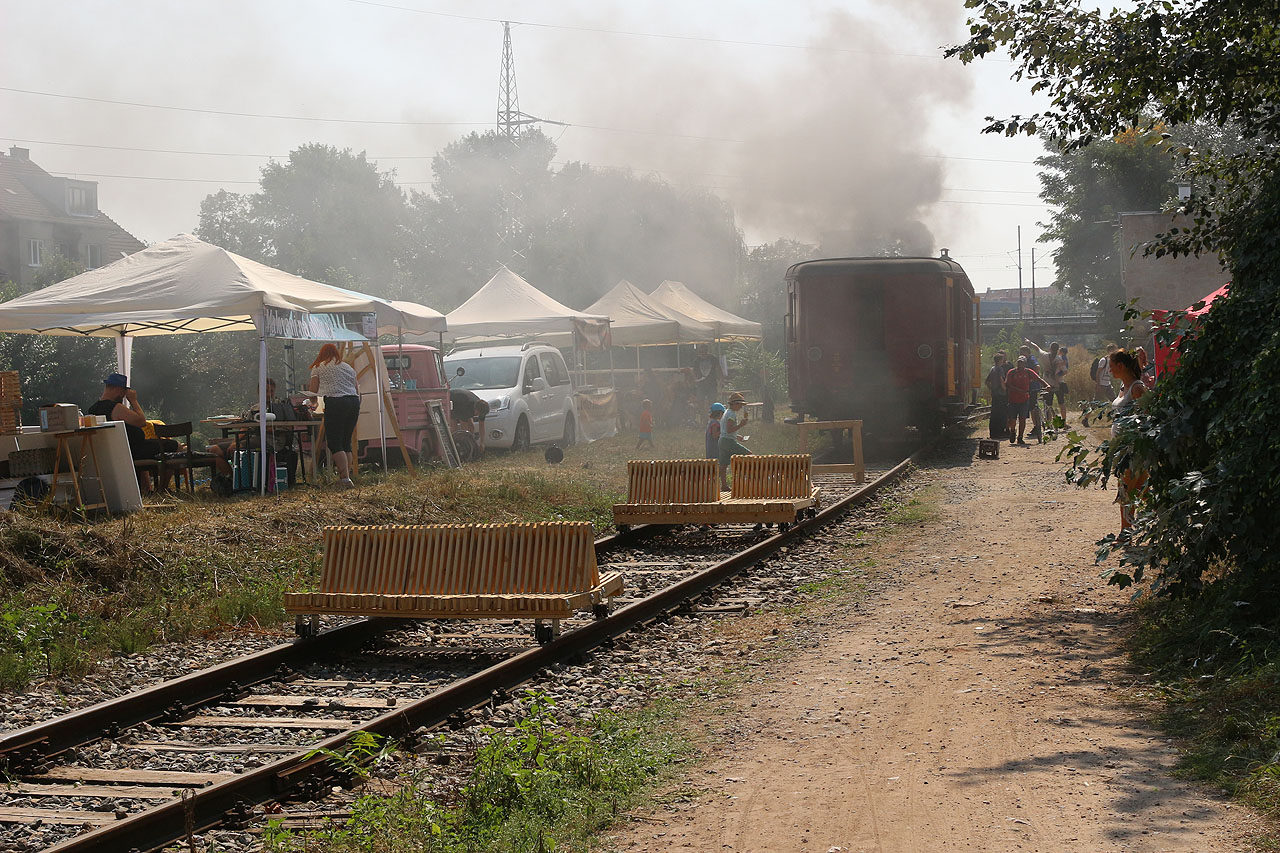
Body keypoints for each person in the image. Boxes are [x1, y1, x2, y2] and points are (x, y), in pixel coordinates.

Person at [86, 373, 179, 491]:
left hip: (116, 450)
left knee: (149, 445)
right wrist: (134, 401)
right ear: (118, 389)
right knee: (175, 446)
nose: (124, 396)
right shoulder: (115, 408)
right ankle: (162, 488)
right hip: (131, 451)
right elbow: (141, 421)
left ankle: (147, 489)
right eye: (124, 392)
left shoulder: (93, 409)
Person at [206, 378, 299, 481]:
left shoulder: (281, 407)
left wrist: (268, 428)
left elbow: (288, 427)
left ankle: (241, 481)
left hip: (272, 442)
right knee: (213, 450)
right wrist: (234, 442)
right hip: (253, 438)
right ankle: (233, 480)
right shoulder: (254, 408)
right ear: (259, 392)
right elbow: (245, 427)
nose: (269, 394)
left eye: (271, 391)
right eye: (266, 391)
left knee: (239, 447)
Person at [307, 343, 360, 489]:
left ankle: (344, 478)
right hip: (354, 402)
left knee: (334, 442)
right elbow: (356, 388)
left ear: (321, 354)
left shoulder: (319, 367)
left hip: (336, 402)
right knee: (345, 441)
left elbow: (312, 391)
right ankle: (347, 477)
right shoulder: (348, 367)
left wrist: (312, 404)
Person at [1109, 349, 1148, 534]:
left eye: (1111, 367)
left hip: (1133, 450)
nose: (1109, 371)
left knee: (1126, 492)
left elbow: (1151, 413)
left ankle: (1125, 534)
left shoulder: (1137, 388)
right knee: (1141, 493)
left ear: (1120, 366)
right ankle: (1169, 523)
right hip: (1123, 450)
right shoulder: (1123, 388)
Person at [1003, 356, 1046, 445]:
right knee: (1012, 419)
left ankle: (1020, 437)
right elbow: (1007, 384)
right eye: (1019, 362)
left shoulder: (1028, 372)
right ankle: (1012, 431)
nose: (1020, 364)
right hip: (1013, 400)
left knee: (1022, 419)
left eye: (1022, 362)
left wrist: (1047, 385)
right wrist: (1019, 390)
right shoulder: (1012, 372)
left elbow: (1038, 379)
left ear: (1025, 364)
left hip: (1024, 400)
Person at [718, 391, 753, 490]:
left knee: (723, 465)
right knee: (749, 455)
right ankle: (750, 480)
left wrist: (737, 436)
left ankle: (724, 486)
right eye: (740, 405)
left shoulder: (726, 412)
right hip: (728, 442)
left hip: (723, 441)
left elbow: (726, 431)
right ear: (734, 404)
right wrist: (741, 425)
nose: (741, 407)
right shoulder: (731, 414)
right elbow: (729, 430)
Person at [449, 386, 490, 452]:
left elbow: (481, 426)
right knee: (454, 428)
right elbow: (464, 428)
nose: (478, 416)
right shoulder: (467, 408)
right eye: (478, 414)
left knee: (471, 427)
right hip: (452, 399)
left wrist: (482, 443)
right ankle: (455, 447)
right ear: (476, 410)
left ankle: (469, 445)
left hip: (463, 399)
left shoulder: (482, 409)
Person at [1085, 344, 1117, 426]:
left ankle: (1116, 419)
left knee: (1115, 401)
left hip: (1108, 384)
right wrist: (1098, 385)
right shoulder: (1104, 360)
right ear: (1110, 350)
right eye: (1114, 350)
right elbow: (1098, 373)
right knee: (1095, 403)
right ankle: (1085, 419)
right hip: (1102, 384)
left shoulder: (1112, 360)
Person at [1018, 344, 1044, 439]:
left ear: (1027, 352)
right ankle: (1036, 426)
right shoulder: (1025, 360)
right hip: (1028, 387)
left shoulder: (1031, 359)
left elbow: (1037, 367)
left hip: (1032, 387)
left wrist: (1032, 378)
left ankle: (1037, 426)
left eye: (1022, 352)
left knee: (1032, 407)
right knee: (1031, 407)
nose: (1021, 354)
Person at [985, 352, 1010, 439]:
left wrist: (992, 389)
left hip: (995, 394)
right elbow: (1001, 380)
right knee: (1002, 414)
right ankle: (1000, 432)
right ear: (1000, 360)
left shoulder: (993, 368)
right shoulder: (1000, 369)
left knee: (994, 414)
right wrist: (1005, 389)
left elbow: (987, 382)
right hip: (1001, 395)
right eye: (1002, 359)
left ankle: (993, 433)